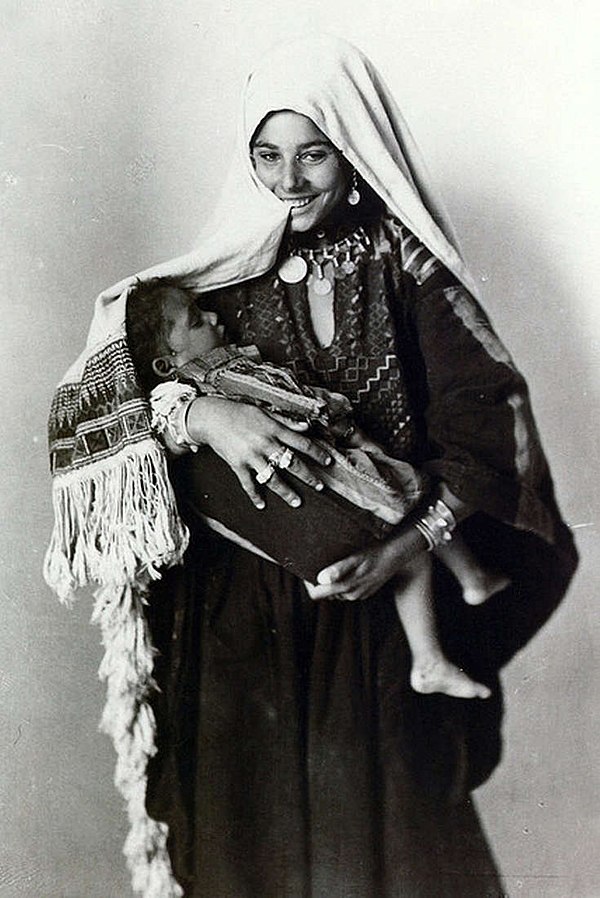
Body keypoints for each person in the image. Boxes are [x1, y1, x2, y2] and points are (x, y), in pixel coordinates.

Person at [44, 36, 578, 898]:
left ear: (354, 150)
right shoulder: (207, 281)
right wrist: (197, 414)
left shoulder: (409, 270)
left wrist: (408, 548)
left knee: (390, 858)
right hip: (233, 636)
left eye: (313, 155)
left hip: (372, 621)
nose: (288, 181)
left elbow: (486, 423)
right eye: (267, 156)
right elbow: (85, 415)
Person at [127, 277, 508, 699]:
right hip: (314, 493)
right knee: (412, 501)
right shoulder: (216, 377)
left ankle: (460, 601)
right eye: (197, 321)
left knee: (410, 524)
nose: (214, 318)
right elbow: (283, 400)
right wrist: (329, 414)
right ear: (167, 362)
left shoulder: (210, 374)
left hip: (299, 517)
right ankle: (449, 623)